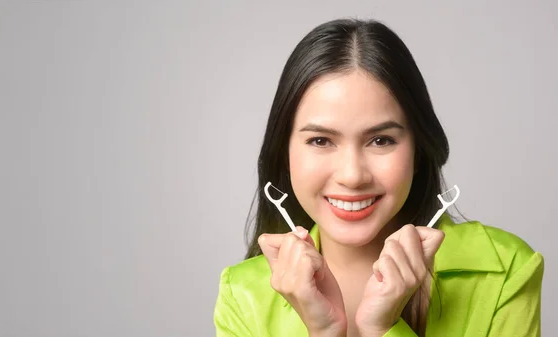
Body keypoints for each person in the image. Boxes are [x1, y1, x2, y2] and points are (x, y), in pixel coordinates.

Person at [213, 18, 544, 337]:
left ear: (419, 150)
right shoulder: (243, 296)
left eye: (381, 140)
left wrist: (383, 328)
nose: (353, 175)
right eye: (320, 141)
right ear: (284, 153)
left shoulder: (507, 268)